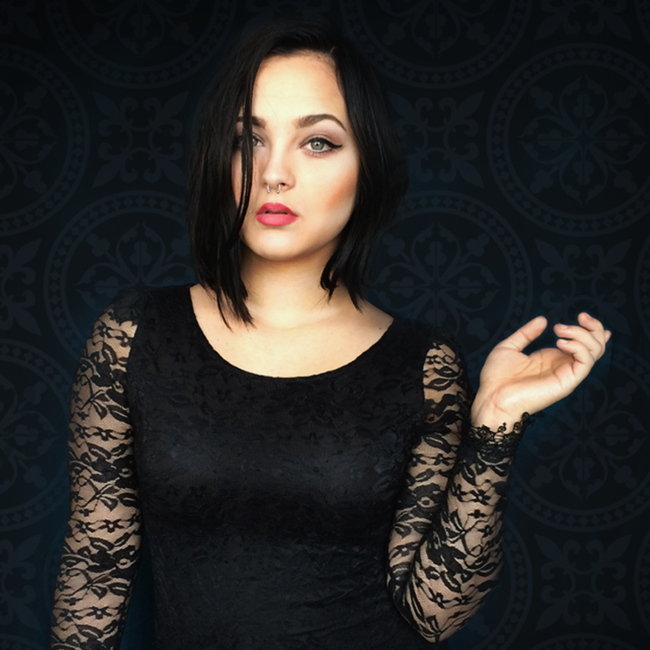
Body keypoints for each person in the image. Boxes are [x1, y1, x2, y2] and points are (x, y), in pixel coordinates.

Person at [50, 18, 611, 650]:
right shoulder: (134, 335)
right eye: (249, 140)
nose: (274, 173)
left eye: (317, 142)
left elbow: (435, 613)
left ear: (367, 166)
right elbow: (95, 566)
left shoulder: (424, 364)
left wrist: (496, 430)